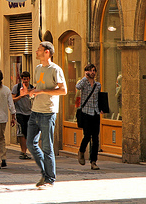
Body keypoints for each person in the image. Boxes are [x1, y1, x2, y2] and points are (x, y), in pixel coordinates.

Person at [22, 41, 67, 188]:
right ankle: (45, 173)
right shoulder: (37, 68)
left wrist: (42, 92)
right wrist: (29, 92)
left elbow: (63, 90)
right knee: (30, 143)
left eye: (39, 50)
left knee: (47, 147)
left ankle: (50, 179)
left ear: (47, 52)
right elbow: (37, 87)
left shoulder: (56, 69)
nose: (36, 51)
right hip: (35, 111)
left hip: (48, 113)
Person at [76, 63, 102, 170]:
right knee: (87, 135)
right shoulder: (83, 83)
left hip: (95, 113)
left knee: (95, 139)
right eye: (90, 71)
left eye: (94, 71)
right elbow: (77, 87)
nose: (93, 72)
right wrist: (84, 77)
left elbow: (99, 98)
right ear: (87, 72)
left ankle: (93, 161)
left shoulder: (98, 85)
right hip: (86, 112)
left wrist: (102, 108)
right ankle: (81, 151)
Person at [12, 71, 34, 160]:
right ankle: (23, 151)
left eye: (27, 79)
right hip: (19, 112)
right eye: (24, 79)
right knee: (21, 133)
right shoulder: (17, 87)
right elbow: (12, 99)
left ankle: (26, 151)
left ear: (29, 79)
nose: (25, 81)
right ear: (21, 79)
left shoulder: (31, 88)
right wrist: (20, 96)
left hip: (29, 113)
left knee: (27, 133)